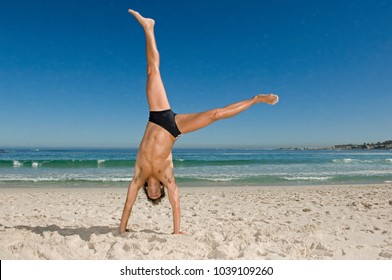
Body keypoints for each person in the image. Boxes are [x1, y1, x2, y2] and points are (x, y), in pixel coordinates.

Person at [119, 9, 279, 234]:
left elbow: (128, 204)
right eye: (157, 196)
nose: (154, 195)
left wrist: (122, 228)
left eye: (151, 195)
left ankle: (148, 27)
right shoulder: (168, 178)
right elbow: (176, 204)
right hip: (174, 127)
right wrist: (176, 231)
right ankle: (256, 100)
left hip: (157, 117)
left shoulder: (138, 176)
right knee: (216, 115)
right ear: (160, 192)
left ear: (146, 190)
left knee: (152, 71)